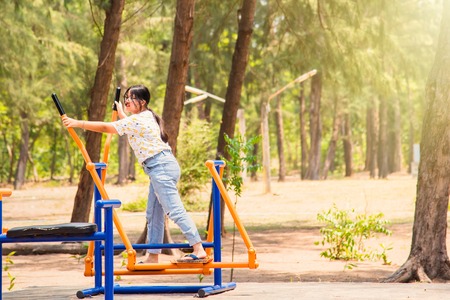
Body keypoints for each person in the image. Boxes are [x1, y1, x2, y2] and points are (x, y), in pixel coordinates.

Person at [62, 84, 207, 263]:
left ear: (143, 102)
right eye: (126, 97)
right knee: (153, 213)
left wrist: (77, 123)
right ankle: (153, 255)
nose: (127, 100)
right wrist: (122, 111)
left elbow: (109, 127)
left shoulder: (141, 119)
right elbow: (128, 125)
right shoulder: (144, 118)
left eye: (131, 98)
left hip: (160, 167)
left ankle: (199, 248)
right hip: (159, 167)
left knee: (174, 210)